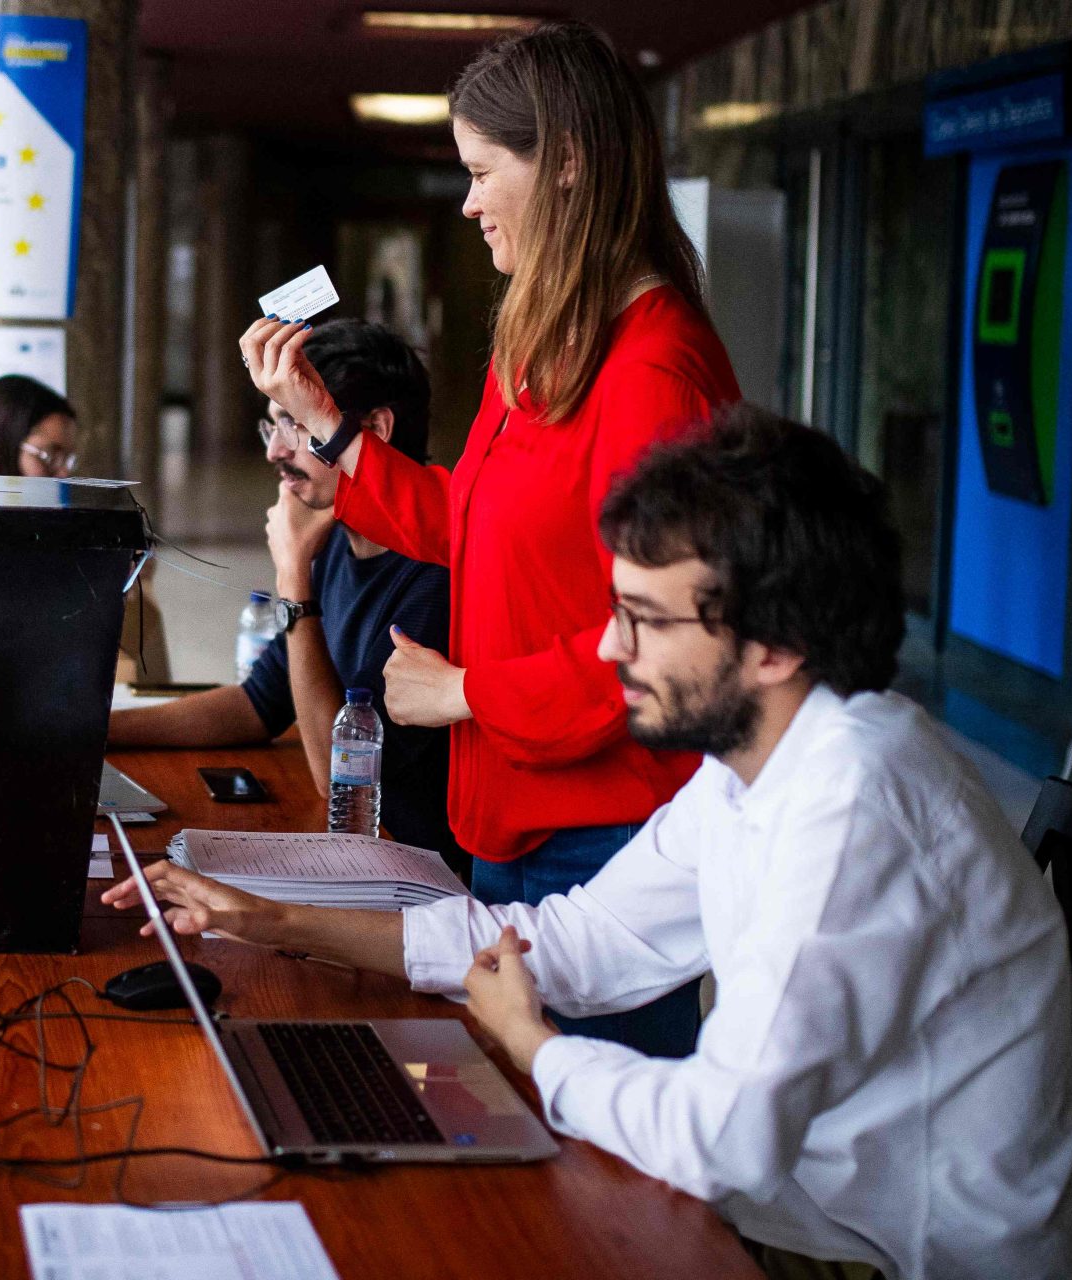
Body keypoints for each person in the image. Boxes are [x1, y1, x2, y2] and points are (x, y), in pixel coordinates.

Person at [105, 406, 1072, 1280]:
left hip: (876, 1250)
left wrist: (533, 1042)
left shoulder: (858, 805)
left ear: (774, 647)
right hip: (788, 1215)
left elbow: (719, 1136)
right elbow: (582, 939)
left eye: (646, 620)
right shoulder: (758, 756)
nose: (612, 650)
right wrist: (277, 920)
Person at [240, 22, 739, 1057]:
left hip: (603, 839)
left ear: (563, 163)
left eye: (479, 172)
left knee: (598, 1170)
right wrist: (324, 421)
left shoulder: (654, 372)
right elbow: (467, 521)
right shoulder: (550, 342)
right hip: (512, 810)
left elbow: (666, 641)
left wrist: (468, 690)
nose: (466, 202)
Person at [110, 319, 463, 876]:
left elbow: (338, 775)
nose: (275, 451)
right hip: (355, 849)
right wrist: (96, 732)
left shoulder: (435, 575)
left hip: (412, 872)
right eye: (270, 426)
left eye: (296, 425)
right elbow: (258, 703)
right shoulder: (340, 541)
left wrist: (295, 579)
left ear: (375, 429)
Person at [0, 372, 171, 683]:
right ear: (1, 442)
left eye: (68, 459)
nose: (61, 473)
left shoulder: (46, 525)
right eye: (49, 455)